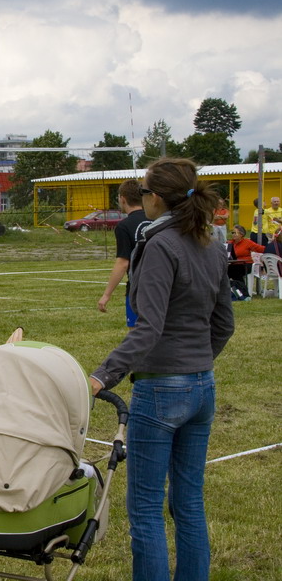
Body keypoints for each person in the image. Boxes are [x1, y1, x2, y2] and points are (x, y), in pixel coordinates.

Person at [89, 158, 234, 581]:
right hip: (202, 387)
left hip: (161, 391)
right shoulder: (210, 244)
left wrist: (101, 376)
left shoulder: (158, 246)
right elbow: (223, 325)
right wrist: (195, 363)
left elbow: (147, 329)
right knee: (189, 503)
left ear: (155, 199)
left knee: (147, 509)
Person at [97, 179, 150, 326]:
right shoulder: (156, 219)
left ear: (122, 199)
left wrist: (106, 295)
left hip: (138, 288)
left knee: (138, 335)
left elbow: (123, 263)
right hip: (162, 283)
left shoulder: (124, 226)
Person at [227, 224, 265, 294]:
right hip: (234, 264)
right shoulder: (230, 243)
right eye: (232, 233)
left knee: (234, 270)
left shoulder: (247, 242)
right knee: (225, 270)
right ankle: (230, 290)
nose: (233, 234)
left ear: (241, 234)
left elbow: (261, 249)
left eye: (235, 233)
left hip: (246, 264)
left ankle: (243, 291)